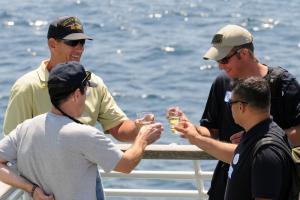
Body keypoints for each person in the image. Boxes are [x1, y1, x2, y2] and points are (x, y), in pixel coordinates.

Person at [2, 16, 144, 200]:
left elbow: (117, 128)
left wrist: (139, 127)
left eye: (82, 43)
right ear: (52, 44)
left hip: (87, 182)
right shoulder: (26, 87)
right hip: (44, 190)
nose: (79, 49)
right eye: (72, 42)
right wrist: (31, 189)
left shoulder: (94, 83)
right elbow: (12, 151)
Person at [168, 24, 300, 200]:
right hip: (226, 183)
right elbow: (211, 130)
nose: (220, 67)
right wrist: (190, 128)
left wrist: (255, 140)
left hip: (266, 179)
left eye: (224, 60)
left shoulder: (283, 83)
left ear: (244, 54)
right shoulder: (222, 83)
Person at [0, 61, 163, 200]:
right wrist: (142, 138)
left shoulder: (26, 128)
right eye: (86, 90)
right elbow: (126, 165)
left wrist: (31, 189)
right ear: (77, 94)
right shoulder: (85, 134)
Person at [176, 77, 292, 199]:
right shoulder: (256, 134)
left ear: (241, 107)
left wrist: (195, 138)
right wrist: (195, 137)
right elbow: (237, 157)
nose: (230, 107)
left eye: (231, 103)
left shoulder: (266, 152)